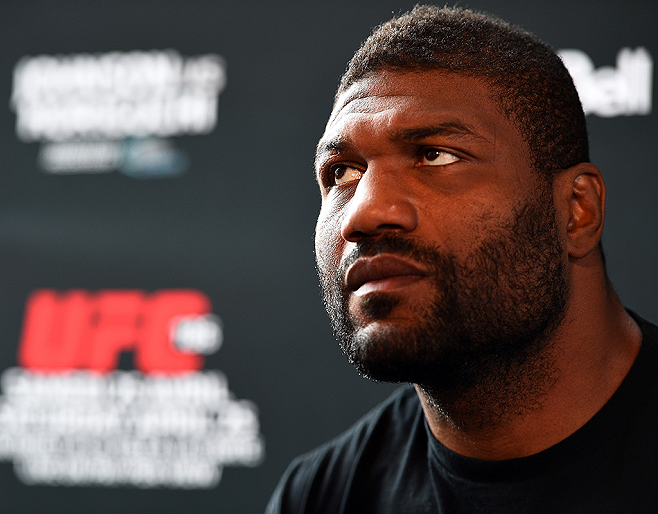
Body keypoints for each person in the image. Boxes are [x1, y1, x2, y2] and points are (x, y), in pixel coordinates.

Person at [265, 5, 657, 513]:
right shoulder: (321, 498)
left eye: (436, 155)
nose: (361, 214)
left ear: (577, 211)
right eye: (341, 173)